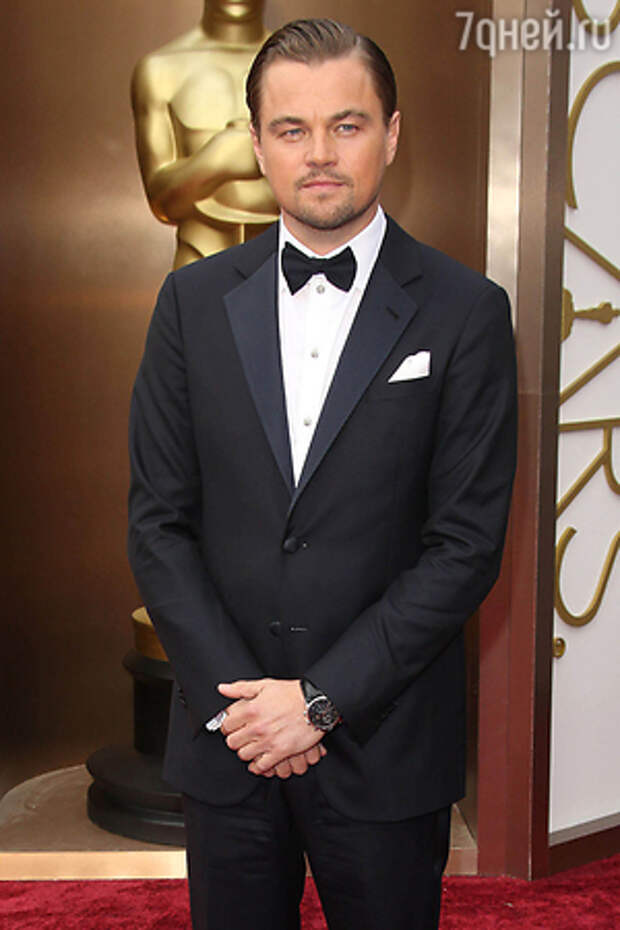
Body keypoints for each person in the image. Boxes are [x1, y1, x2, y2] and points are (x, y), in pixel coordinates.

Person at [128, 18, 517, 930]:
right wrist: (250, 711)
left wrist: (320, 701)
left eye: (347, 125)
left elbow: (464, 546)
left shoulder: (466, 311)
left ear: (392, 133)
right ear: (257, 142)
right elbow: (158, 522)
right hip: (229, 742)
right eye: (292, 129)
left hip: (386, 744)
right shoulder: (190, 301)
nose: (320, 154)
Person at [131, 0, 278, 268]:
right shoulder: (160, 69)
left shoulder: (305, 68)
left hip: (287, 267)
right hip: (198, 259)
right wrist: (217, 160)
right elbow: (162, 201)